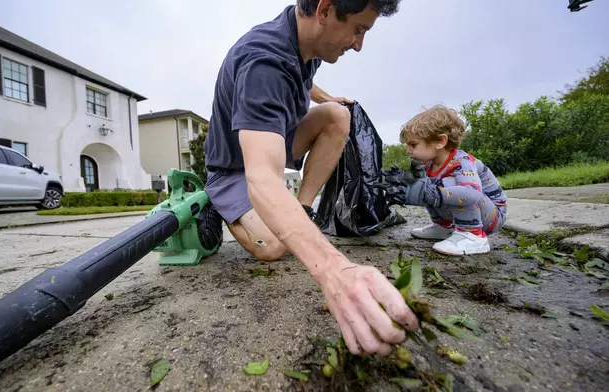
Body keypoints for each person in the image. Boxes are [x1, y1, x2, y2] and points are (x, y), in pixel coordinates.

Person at [203, 0, 419, 356]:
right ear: (325, 10)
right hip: (234, 167)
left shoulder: (308, 41)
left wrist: (326, 97)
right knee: (274, 247)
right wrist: (335, 271)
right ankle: (222, 206)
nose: (359, 44)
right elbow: (262, 178)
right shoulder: (263, 63)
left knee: (336, 116)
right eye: (358, 29)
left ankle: (301, 208)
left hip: (272, 139)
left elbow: (306, 79)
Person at [379, 105, 509, 256]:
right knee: (426, 186)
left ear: (440, 141)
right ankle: (444, 227)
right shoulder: (429, 164)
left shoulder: (462, 163)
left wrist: (433, 193)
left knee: (446, 185)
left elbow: (472, 193)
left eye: (413, 144)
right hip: (478, 210)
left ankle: (473, 236)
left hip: (492, 215)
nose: (408, 150)